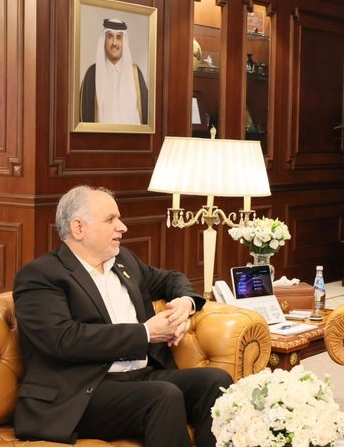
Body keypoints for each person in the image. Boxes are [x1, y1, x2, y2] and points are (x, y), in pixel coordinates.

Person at [12, 185, 232, 446]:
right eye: (111, 219)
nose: (123, 227)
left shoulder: (123, 260)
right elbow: (64, 339)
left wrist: (185, 303)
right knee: (163, 395)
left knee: (216, 381)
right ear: (78, 228)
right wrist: (146, 333)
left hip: (139, 376)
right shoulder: (41, 275)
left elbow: (170, 279)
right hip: (80, 393)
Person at [80, 18, 148, 124]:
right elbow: (84, 117)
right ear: (104, 40)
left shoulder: (135, 74)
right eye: (110, 37)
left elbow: (147, 116)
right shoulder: (92, 74)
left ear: (124, 42)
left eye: (119, 37)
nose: (114, 43)